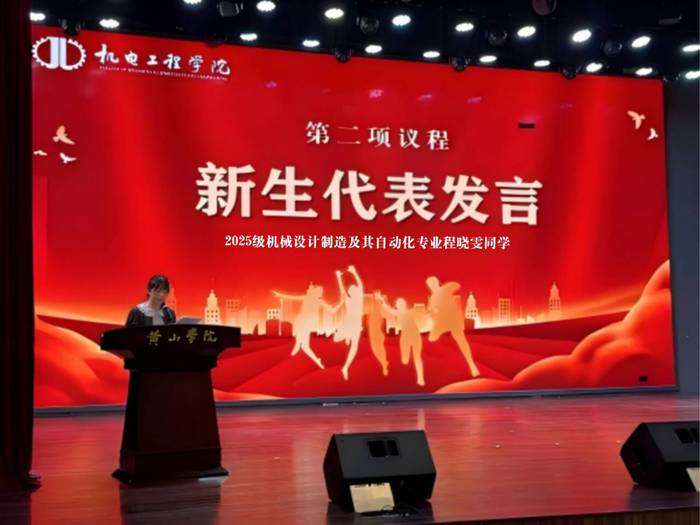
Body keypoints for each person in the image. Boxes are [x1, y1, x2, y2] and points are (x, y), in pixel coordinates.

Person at [426, 276, 480, 378]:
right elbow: (430, 310)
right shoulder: (433, 298)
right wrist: (431, 312)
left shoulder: (445, 289)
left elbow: (456, 285)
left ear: (437, 283)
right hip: (442, 322)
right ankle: (444, 364)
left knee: (461, 340)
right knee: (431, 339)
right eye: (429, 284)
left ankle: (471, 364)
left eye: (433, 283)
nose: (431, 285)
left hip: (453, 319)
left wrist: (447, 288)